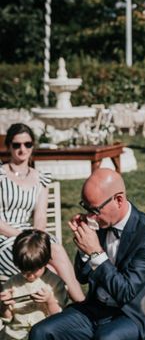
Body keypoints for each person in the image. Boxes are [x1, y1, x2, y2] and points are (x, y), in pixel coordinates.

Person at [29, 169, 145, 340]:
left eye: (94, 209)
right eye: (86, 207)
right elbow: (83, 277)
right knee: (41, 332)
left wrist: (95, 252)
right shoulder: (99, 224)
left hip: (134, 315)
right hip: (96, 309)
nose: (90, 215)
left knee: (105, 338)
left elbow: (126, 292)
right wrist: (84, 248)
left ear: (119, 200)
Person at [0, 124, 83, 303]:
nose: (22, 149)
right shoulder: (0, 175)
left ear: (33, 146)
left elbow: (40, 217)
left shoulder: (40, 177)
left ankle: (78, 305)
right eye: (16, 145)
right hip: (4, 239)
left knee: (55, 249)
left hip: (30, 235)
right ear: (8, 147)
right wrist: (24, 236)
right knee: (50, 271)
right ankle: (79, 305)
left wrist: (35, 236)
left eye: (27, 144)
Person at [0, 230, 68, 339]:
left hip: (43, 335)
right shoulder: (11, 284)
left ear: (45, 262)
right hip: (13, 336)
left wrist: (50, 300)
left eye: (34, 271)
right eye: (24, 271)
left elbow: (58, 318)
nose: (30, 276)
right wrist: (4, 305)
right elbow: (7, 318)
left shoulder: (54, 283)